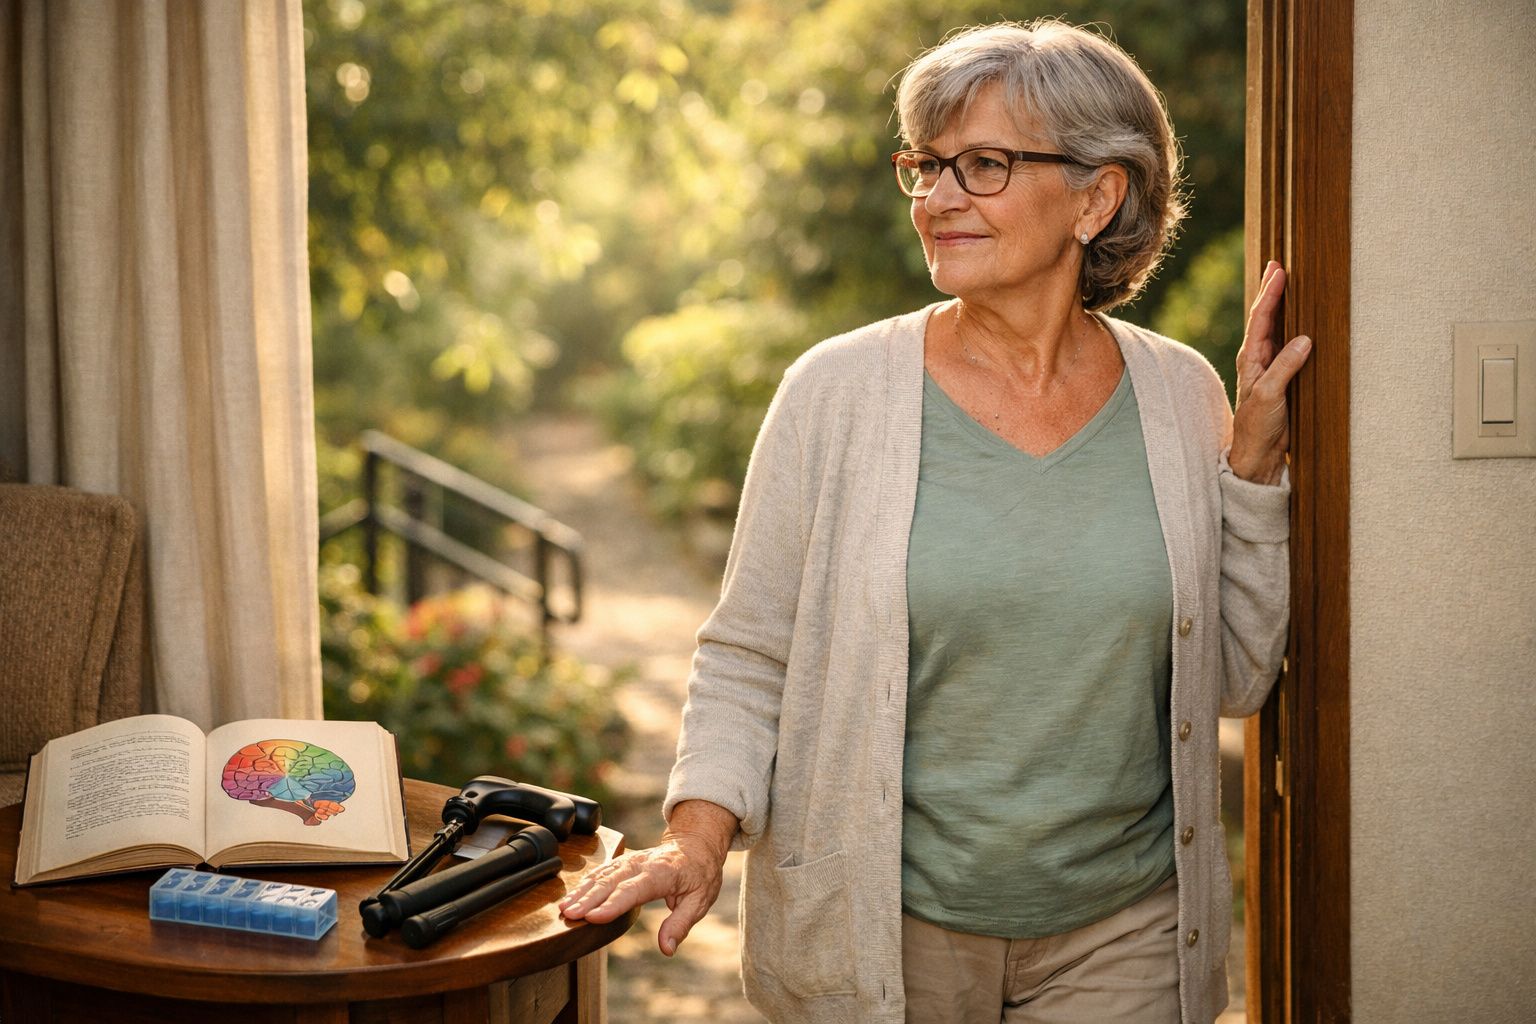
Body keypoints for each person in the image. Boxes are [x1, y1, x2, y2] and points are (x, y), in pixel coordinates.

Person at [560, 18, 1308, 1024]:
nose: (937, 198)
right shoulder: (835, 393)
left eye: (984, 166)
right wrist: (694, 840)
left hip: (1125, 933)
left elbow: (1234, 678)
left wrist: (1253, 469)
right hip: (891, 934)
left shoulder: (1179, 396)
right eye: (926, 165)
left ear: (1097, 197)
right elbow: (748, 654)